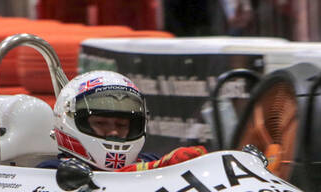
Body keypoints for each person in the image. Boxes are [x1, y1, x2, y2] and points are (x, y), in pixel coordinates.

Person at [48, 71, 204, 172]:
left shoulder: (150, 161)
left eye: (121, 125)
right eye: (101, 123)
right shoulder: (51, 172)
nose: (114, 132)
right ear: (68, 120)